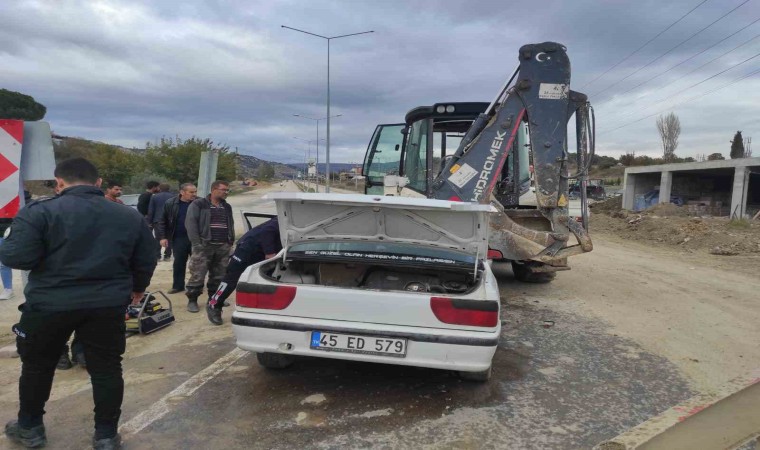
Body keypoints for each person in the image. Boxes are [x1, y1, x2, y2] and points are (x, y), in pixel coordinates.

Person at [0, 158, 157, 449]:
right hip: (106, 305)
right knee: (107, 369)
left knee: (36, 367)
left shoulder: (39, 212)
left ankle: (31, 429)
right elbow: (147, 257)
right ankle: (106, 435)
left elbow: (16, 258)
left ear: (59, 183)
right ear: (98, 183)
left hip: (49, 305)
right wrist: (138, 288)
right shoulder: (128, 216)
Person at [207, 217, 281, 325]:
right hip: (248, 248)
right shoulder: (283, 218)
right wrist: (269, 253)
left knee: (264, 280)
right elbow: (267, 230)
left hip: (263, 252)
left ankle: (261, 309)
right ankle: (214, 304)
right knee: (232, 278)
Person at [184, 180, 234, 313]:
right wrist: (197, 244)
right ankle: (192, 300)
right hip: (204, 246)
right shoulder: (199, 204)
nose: (226, 192)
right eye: (223, 189)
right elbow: (191, 225)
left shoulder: (226, 206)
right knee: (197, 275)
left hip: (222, 247)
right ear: (214, 190)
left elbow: (231, 224)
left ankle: (214, 299)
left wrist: (230, 241)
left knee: (219, 275)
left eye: (227, 190)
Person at [155, 183, 198, 294]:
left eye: (195, 192)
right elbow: (162, 220)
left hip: (197, 239)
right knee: (179, 263)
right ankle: (178, 286)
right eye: (191, 192)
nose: (194, 194)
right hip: (179, 238)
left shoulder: (200, 203)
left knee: (197, 264)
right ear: (182, 192)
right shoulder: (171, 203)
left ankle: (196, 286)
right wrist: (163, 237)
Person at [147, 183, 174, 261]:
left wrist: (149, 221)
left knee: (158, 238)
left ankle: (157, 255)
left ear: (159, 188)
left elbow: (151, 210)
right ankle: (167, 255)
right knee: (169, 238)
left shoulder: (154, 197)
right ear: (169, 188)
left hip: (157, 220)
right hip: (170, 220)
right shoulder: (174, 197)